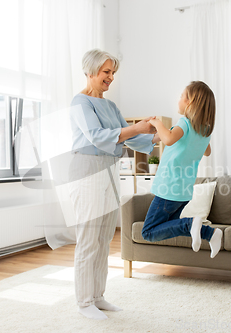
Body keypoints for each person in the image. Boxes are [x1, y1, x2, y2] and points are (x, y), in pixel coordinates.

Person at [68, 49, 159, 320]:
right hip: (87, 169)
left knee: (105, 236)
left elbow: (128, 138)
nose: (111, 77)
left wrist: (158, 138)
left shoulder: (111, 106)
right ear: (91, 71)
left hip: (109, 169)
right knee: (89, 238)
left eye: (113, 73)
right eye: (107, 72)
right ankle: (84, 302)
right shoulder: (80, 102)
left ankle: (98, 296)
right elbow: (97, 136)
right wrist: (138, 128)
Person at [142, 81, 222, 259]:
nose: (178, 100)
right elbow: (207, 151)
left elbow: (169, 139)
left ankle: (190, 224)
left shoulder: (185, 122)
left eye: (181, 97)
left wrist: (157, 123)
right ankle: (210, 234)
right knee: (170, 225)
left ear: (190, 103)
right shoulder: (204, 130)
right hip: (184, 191)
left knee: (148, 231)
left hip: (168, 188)